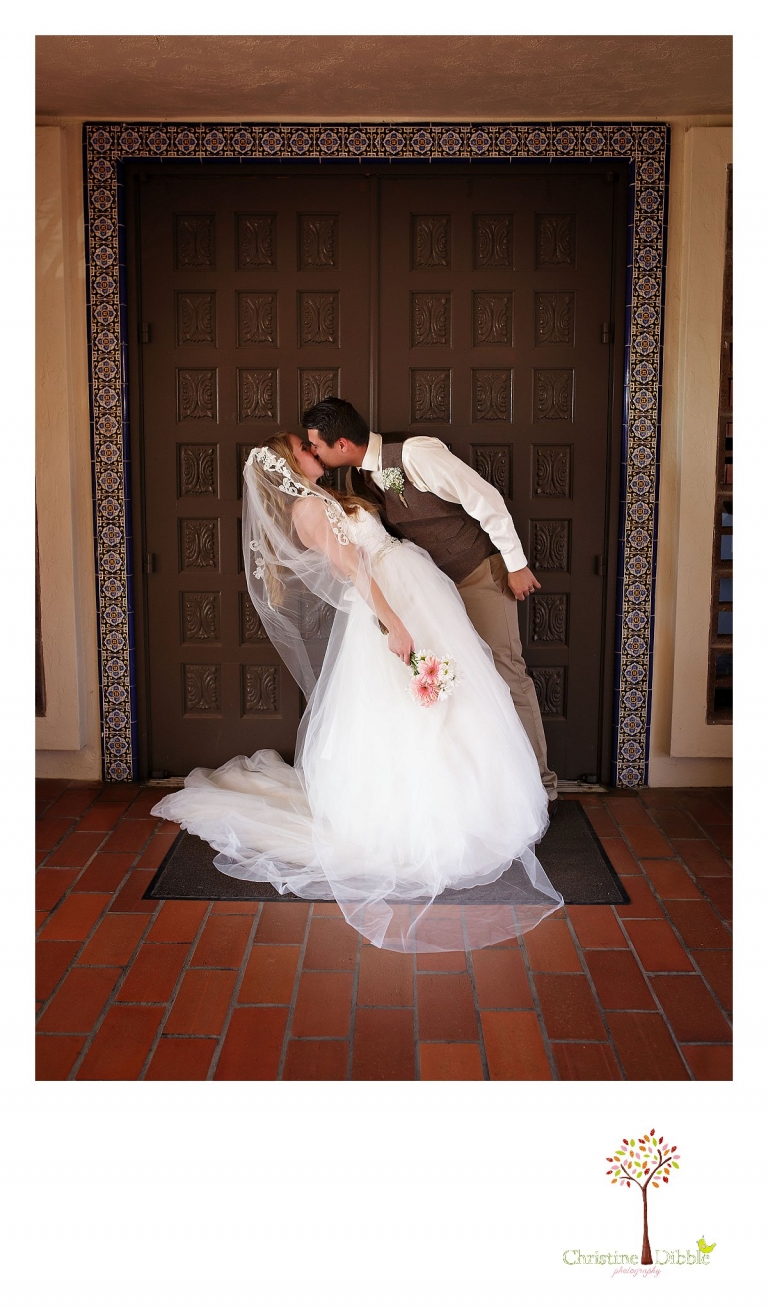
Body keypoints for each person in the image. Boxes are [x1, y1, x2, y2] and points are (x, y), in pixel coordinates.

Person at [151, 431, 563, 953]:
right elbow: (352, 570)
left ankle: (478, 798)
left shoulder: (337, 492)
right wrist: (394, 624)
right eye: (305, 448)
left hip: (413, 591)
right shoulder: (308, 510)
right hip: (390, 609)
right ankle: (424, 815)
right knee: (409, 708)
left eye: (314, 443)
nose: (314, 451)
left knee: (450, 702)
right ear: (291, 462)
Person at [301, 396, 559, 810]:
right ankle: (480, 789)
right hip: (430, 591)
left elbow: (484, 497)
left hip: (476, 574)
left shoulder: (415, 455)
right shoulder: (354, 480)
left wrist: (515, 563)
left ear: (343, 444)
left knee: (507, 675)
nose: (313, 452)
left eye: (317, 445)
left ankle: (541, 789)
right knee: (456, 689)